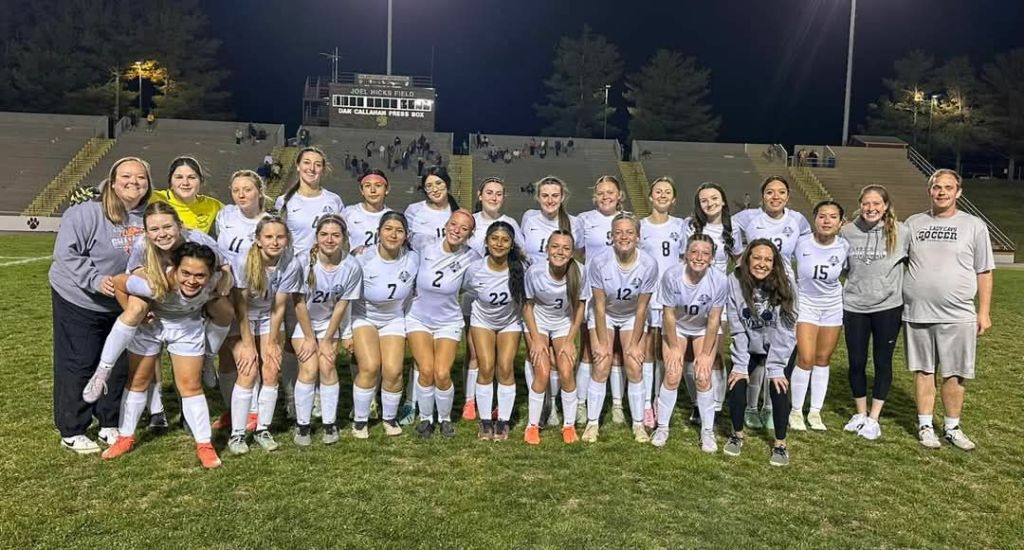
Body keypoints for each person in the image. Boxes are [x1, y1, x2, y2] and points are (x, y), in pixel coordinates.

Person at [50, 157, 151, 454]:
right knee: (81, 360)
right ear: (113, 181)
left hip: (122, 300)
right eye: (126, 176)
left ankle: (109, 420)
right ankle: (72, 428)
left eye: (140, 177)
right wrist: (95, 279)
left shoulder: (148, 215)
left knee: (118, 362)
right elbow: (66, 254)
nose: (133, 182)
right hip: (79, 296)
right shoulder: (87, 212)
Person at [98, 243, 225, 469]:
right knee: (138, 380)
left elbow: (225, 279)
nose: (192, 280)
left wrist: (225, 282)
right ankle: (125, 437)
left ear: (210, 275)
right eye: (186, 273)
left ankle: (205, 445)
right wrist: (134, 313)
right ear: (174, 269)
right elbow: (118, 282)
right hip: (151, 326)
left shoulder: (216, 281)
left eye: (200, 275)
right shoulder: (153, 282)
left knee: (191, 386)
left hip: (186, 326)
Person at [903, 168, 993, 450]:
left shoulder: (974, 225)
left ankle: (952, 427)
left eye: (948, 187)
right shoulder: (913, 223)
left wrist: (983, 312)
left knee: (955, 373)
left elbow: (984, 270)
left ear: (958, 192)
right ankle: (925, 425)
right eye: (936, 187)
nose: (941, 192)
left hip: (958, 314)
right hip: (918, 311)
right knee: (924, 371)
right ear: (929, 191)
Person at [732, 176, 810, 430]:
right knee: (756, 349)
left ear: (788, 196)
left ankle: (769, 407)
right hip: (755, 286)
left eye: (781, 192)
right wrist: (739, 255)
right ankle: (751, 407)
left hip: (783, 289)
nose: (775, 197)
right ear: (762, 195)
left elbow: (807, 247)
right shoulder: (749, 217)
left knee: (778, 347)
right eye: (769, 192)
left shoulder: (798, 220)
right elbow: (728, 227)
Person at [275, 147, 343, 419]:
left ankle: (315, 394)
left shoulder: (333, 200)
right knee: (295, 341)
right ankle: (291, 395)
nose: (312, 168)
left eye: (317, 164)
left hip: (325, 278)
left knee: (323, 339)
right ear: (298, 166)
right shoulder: (285, 201)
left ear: (323, 169)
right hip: (296, 278)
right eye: (307, 163)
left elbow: (341, 237)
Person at [224, 216, 302, 454]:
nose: (274, 242)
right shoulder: (243, 261)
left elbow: (279, 305)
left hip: (268, 316)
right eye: (268, 237)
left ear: (287, 240)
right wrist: (248, 344)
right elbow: (240, 306)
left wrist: (273, 342)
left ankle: (262, 429)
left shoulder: (291, 263)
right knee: (248, 369)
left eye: (280, 237)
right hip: (241, 317)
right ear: (258, 240)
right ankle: (237, 434)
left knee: (271, 368)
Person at [582, 212, 659, 444]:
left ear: (637, 236)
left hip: (631, 316)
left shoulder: (648, 264)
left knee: (634, 364)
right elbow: (599, 306)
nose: (624, 237)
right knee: (602, 362)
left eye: (629, 232)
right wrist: (602, 342)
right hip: (604, 314)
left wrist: (634, 344)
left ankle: (638, 425)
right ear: (611, 236)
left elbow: (642, 308)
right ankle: (592, 423)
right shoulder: (599, 262)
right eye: (618, 232)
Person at [841, 185, 910, 440]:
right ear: (860, 205)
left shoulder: (901, 232)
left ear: (886, 206)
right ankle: (860, 413)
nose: (871, 208)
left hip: (888, 307)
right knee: (856, 361)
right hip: (854, 306)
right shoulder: (847, 231)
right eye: (866, 204)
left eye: (876, 204)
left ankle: (874, 418)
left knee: (882, 362)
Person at [405, 209, 481, 439]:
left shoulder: (472, 257)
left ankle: (445, 419)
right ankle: (426, 419)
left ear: (470, 234)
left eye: (464, 228)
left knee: (442, 373)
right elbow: (396, 239)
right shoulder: (424, 244)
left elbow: (480, 279)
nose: (456, 231)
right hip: (418, 318)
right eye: (453, 224)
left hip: (448, 321)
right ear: (446, 225)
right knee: (426, 370)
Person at [724, 239, 798, 466]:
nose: (762, 264)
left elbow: (787, 328)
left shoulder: (786, 283)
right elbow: (736, 325)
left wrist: (776, 367)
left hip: (779, 344)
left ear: (774, 264)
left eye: (768, 260)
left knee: (779, 386)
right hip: (749, 342)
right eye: (757, 258)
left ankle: (780, 444)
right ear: (747, 259)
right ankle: (737, 435)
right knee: (736, 381)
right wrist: (740, 363)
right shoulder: (734, 281)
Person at [519, 176, 584, 427]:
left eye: (555, 195)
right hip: (535, 293)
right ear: (538, 197)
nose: (550, 200)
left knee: (562, 363)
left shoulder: (574, 224)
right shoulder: (529, 218)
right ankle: (543, 403)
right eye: (545, 195)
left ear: (562, 197)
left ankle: (557, 406)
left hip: (560, 298)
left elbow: (577, 256)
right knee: (537, 356)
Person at [292, 215, 362, 444]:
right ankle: (303, 426)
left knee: (328, 365)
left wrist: (328, 339)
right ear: (316, 237)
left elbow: (342, 305)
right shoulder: (303, 262)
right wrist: (310, 338)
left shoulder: (351, 266)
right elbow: (299, 303)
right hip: (305, 324)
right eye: (324, 234)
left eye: (335, 235)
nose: (329, 240)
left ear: (344, 238)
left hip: (330, 324)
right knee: (309, 368)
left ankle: (329, 425)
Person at [461, 177, 525, 421]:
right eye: (489, 192)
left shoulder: (510, 223)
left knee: (503, 362)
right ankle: (470, 401)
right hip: (477, 295)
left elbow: (521, 254)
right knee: (475, 354)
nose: (494, 197)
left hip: (504, 293)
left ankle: (499, 404)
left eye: (499, 193)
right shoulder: (471, 220)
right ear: (480, 195)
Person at [656, 234, 727, 450]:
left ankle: (707, 432)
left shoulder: (719, 280)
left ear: (712, 258)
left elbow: (714, 319)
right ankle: (662, 427)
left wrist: (705, 354)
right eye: (694, 252)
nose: (699, 257)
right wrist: (674, 348)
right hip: (677, 326)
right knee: (672, 373)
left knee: (703, 376)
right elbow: (668, 314)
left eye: (705, 253)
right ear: (686, 254)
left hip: (703, 328)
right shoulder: (672, 275)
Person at [212, 170, 270, 431]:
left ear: (259, 191)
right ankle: (232, 410)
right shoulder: (225, 215)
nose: (241, 195)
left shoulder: (269, 222)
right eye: (236, 190)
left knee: (254, 357)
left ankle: (255, 413)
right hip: (226, 293)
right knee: (228, 356)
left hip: (255, 298)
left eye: (247, 189)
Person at [353, 212, 419, 436]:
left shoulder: (413, 259)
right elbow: (347, 295)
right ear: (378, 232)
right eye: (388, 229)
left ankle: (389, 419)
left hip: (393, 319)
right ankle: (360, 421)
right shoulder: (362, 258)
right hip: (364, 316)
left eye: (399, 230)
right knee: (370, 367)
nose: (393, 234)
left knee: (393, 371)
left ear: (406, 235)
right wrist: (345, 332)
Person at [683, 182, 741, 421]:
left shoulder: (733, 228)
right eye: (704, 200)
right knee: (690, 354)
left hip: (718, 298)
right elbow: (682, 259)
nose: (710, 203)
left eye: (714, 198)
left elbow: (739, 260)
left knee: (713, 353)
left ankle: (715, 405)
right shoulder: (690, 225)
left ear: (723, 200)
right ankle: (697, 403)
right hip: (692, 297)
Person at [790, 200, 849, 432]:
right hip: (806, 304)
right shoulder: (801, 242)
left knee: (822, 359)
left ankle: (815, 411)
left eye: (833, 217)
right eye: (822, 216)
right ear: (814, 219)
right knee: (805, 358)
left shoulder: (844, 246)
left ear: (841, 222)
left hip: (832, 306)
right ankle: (796, 411)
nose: (827, 221)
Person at [522, 230, 587, 445]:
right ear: (547, 249)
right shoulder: (535, 272)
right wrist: (536, 339)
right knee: (542, 371)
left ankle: (568, 425)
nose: (560, 252)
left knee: (566, 369)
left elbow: (580, 307)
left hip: (563, 323)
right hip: (538, 322)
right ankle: (532, 426)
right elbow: (527, 306)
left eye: (566, 248)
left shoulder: (579, 271)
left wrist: (570, 340)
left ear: (572, 252)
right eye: (555, 246)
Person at [637, 177, 686, 430]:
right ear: (651, 196)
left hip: (671, 296)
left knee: (663, 350)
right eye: (658, 191)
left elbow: (684, 259)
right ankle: (646, 403)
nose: (663, 195)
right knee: (647, 348)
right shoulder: (641, 226)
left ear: (674, 199)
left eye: (668, 192)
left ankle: (658, 398)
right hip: (647, 294)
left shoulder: (681, 225)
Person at [149, 156, 224, 234]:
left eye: (191, 177)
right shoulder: (155, 198)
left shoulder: (213, 205)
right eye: (179, 177)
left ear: (201, 181)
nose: (185, 183)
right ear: (170, 181)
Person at [405, 167, 459, 250]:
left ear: (447, 184)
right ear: (425, 189)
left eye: (438, 183)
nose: (435, 189)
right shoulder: (413, 211)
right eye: (429, 186)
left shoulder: (458, 214)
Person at [344, 170, 393, 253]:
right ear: (362, 190)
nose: (373, 190)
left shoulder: (392, 217)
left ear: (387, 189)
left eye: (378, 185)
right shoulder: (349, 213)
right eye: (367, 186)